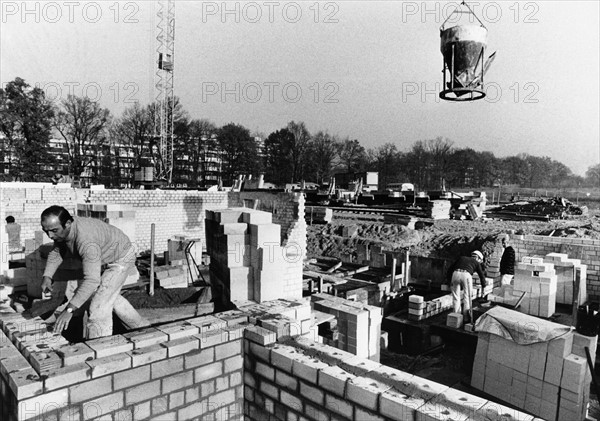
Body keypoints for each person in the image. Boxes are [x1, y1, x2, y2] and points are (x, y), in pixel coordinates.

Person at [40, 205, 148, 339]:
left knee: (98, 308)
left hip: (122, 258)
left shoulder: (86, 240)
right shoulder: (64, 232)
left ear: (68, 223)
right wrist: (47, 276)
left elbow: (91, 280)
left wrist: (69, 310)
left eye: (54, 231)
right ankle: (143, 328)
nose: (50, 236)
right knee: (108, 296)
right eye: (46, 231)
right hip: (106, 255)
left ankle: (99, 350)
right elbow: (57, 252)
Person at [447, 251, 487, 322]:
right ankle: (466, 318)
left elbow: (450, 269)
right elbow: (482, 276)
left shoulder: (462, 258)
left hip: (455, 274)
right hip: (466, 275)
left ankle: (456, 318)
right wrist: (483, 290)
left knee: (456, 297)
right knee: (467, 297)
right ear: (479, 259)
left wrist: (449, 282)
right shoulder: (476, 262)